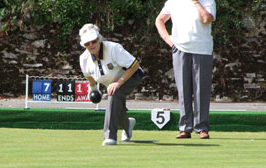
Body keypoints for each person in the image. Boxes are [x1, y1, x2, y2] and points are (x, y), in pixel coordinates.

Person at [155, 0, 216, 139]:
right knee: (183, 90)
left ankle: (202, 128)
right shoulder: (173, 1)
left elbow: (206, 19)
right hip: (180, 49)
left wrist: (195, 2)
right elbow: (160, 20)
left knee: (201, 90)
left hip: (202, 49)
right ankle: (185, 128)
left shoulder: (208, 1)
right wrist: (168, 39)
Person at [79, 23, 144, 146]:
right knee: (117, 108)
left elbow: (135, 65)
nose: (91, 45)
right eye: (87, 43)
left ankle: (110, 136)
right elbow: (88, 75)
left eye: (93, 41)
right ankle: (127, 124)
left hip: (132, 75)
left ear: (98, 39)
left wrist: (119, 83)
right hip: (112, 83)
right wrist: (92, 88)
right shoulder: (84, 59)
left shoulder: (114, 48)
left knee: (114, 93)